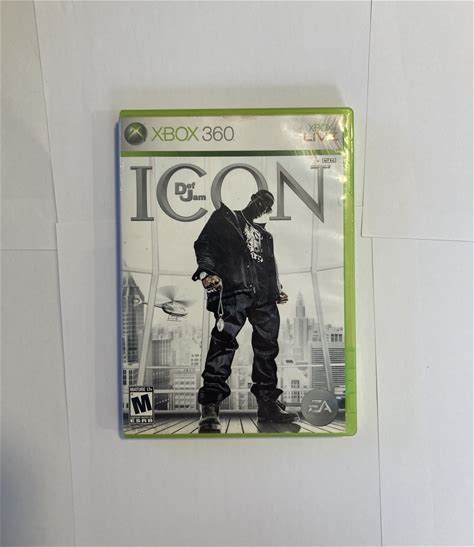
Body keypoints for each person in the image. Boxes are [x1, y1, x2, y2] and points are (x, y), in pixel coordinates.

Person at [191, 189, 299, 433]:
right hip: (235, 291)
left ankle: (268, 405)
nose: (263, 207)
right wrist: (207, 272)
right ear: (252, 199)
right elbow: (203, 244)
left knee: (267, 349)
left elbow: (269, 266)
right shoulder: (226, 218)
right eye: (261, 201)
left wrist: (277, 289)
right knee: (223, 343)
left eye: (267, 206)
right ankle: (210, 406)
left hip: (264, 297)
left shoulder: (265, 235)